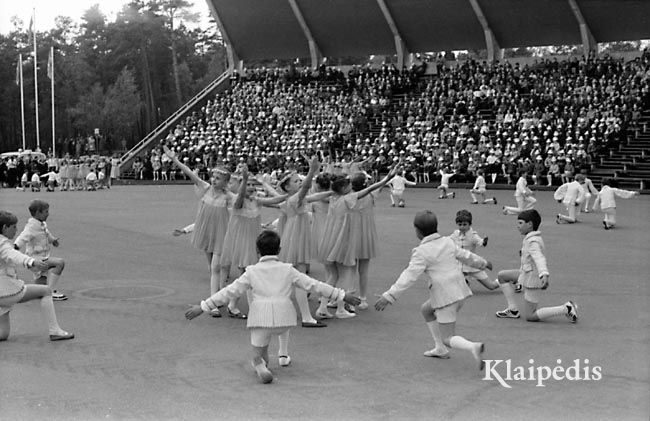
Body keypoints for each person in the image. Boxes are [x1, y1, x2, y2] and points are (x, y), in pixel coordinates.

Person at [184, 230, 360, 384]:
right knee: (276, 326)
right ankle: (282, 355)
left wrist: (203, 307)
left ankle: (259, 363)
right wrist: (342, 295)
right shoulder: (288, 269)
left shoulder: (251, 271)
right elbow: (314, 285)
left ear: (257, 251)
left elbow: (229, 292)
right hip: (285, 319)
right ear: (279, 250)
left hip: (260, 318)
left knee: (258, 350)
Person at [374, 210, 491, 370]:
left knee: (448, 337)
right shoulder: (448, 242)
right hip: (460, 291)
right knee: (426, 310)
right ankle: (440, 349)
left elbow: (408, 276)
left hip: (445, 297)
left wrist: (389, 296)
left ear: (417, 231)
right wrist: (483, 263)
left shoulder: (421, 252)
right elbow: (466, 256)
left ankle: (473, 347)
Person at [316, 166, 399, 319]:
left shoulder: (333, 197)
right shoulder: (348, 198)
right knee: (345, 275)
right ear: (343, 188)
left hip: (331, 240)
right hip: (343, 241)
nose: (350, 186)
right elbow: (369, 190)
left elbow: (318, 194)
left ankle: (324, 304)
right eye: (348, 185)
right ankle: (342, 307)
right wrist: (387, 179)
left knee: (334, 276)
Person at [163, 145, 234, 317]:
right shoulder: (206, 189)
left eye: (218, 178)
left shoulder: (228, 197)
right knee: (212, 268)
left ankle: (214, 303)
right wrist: (174, 159)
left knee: (217, 267)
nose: (214, 180)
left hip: (221, 235)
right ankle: (218, 296)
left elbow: (238, 212)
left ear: (225, 182)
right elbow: (189, 173)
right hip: (207, 233)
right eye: (213, 177)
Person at [219, 166, 288, 318]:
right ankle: (248, 308)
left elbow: (275, 199)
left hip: (254, 242)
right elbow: (240, 197)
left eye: (252, 185)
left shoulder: (257, 201)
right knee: (249, 275)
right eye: (248, 185)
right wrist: (244, 181)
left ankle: (233, 304)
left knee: (247, 275)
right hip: (242, 243)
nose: (250, 188)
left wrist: (289, 194)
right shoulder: (237, 201)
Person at [0, 211, 74, 341]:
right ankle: (55, 331)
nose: (16, 230)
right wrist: (31, 261)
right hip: (4, 290)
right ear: (5, 227)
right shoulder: (3, 243)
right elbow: (13, 254)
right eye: (13, 227)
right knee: (45, 291)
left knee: (3, 334)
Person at [277, 156, 332, 328]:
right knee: (298, 276)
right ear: (287, 187)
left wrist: (332, 192)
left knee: (294, 276)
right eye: (295, 181)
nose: (299, 182)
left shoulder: (293, 198)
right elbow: (308, 187)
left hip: (295, 234)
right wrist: (311, 171)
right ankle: (305, 316)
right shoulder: (294, 198)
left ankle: (292, 312)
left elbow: (315, 195)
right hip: (296, 236)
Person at [495, 210, 578, 323]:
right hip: (525, 274)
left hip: (532, 279)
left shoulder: (533, 241)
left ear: (529, 224)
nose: (517, 226)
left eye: (520, 223)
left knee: (531, 316)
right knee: (502, 276)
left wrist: (544, 274)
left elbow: (539, 258)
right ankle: (512, 310)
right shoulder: (531, 238)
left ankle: (566, 308)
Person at [14, 200, 68, 301]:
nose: (48, 214)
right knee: (59, 263)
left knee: (40, 289)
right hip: (35, 260)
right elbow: (22, 237)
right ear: (38, 213)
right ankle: (50, 291)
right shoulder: (31, 227)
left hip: (41, 258)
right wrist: (15, 246)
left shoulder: (41, 224)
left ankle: (20, 290)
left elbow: (47, 234)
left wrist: (53, 240)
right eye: (46, 211)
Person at [449, 210, 498, 290]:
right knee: (452, 279)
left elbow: (480, 242)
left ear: (470, 224)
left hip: (473, 264)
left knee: (491, 286)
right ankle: (464, 282)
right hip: (459, 266)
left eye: (465, 224)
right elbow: (448, 240)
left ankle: (506, 279)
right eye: (460, 224)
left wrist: (484, 241)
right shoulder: (455, 234)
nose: (462, 227)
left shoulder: (473, 235)